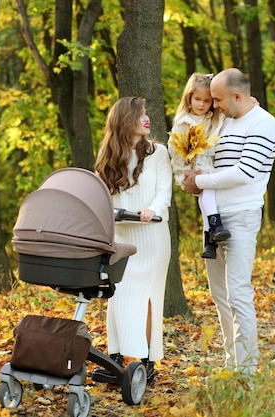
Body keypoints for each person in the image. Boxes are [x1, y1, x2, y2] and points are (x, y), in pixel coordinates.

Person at [182, 68, 275, 376]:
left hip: (240, 216)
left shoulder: (264, 123)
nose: (215, 106)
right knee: (220, 296)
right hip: (213, 220)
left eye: (219, 100)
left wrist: (203, 181)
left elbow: (244, 171)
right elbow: (205, 157)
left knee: (238, 292)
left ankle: (247, 371)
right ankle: (231, 364)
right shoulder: (223, 122)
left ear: (237, 96)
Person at [93, 97, 172, 385]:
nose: (147, 118)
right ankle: (115, 358)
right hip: (122, 236)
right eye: (140, 114)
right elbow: (99, 193)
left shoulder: (158, 153)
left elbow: (165, 191)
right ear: (125, 120)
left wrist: (154, 210)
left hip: (151, 236)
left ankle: (147, 362)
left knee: (149, 298)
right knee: (120, 296)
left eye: (147, 113)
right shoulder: (109, 154)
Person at [168, 73, 230, 259]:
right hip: (188, 170)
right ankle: (215, 224)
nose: (201, 104)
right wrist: (188, 160)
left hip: (208, 166)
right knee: (206, 189)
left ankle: (209, 242)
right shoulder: (182, 121)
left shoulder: (214, 118)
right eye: (197, 99)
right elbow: (174, 148)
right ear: (189, 98)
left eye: (206, 100)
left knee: (207, 193)